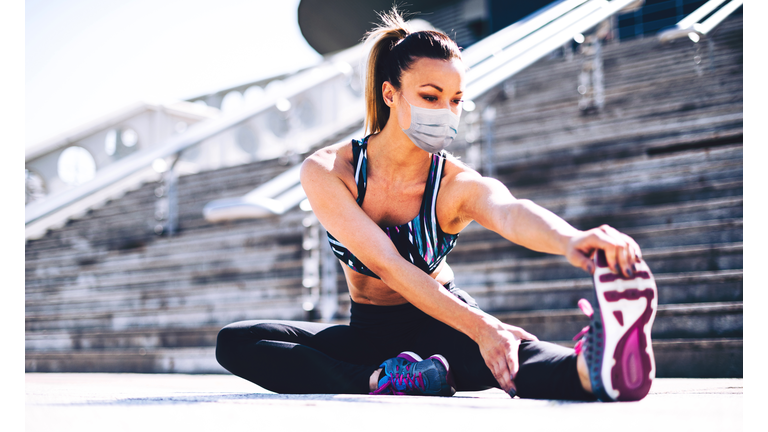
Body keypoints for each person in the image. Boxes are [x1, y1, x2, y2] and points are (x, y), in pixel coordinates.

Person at [215, 7, 658, 402]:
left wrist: (572, 239)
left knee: (503, 352)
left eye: (456, 100)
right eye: (430, 96)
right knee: (237, 342)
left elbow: (508, 210)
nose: (446, 112)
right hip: (368, 334)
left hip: (440, 318)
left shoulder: (452, 183)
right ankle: (382, 380)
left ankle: (596, 368)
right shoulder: (331, 170)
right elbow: (387, 265)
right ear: (390, 94)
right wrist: (481, 327)